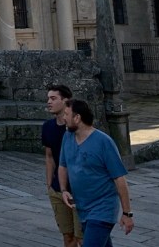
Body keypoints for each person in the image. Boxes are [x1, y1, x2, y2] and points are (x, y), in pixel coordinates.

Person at [59, 100, 134, 247]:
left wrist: (127, 213)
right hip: (82, 209)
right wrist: (63, 190)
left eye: (66, 114)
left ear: (77, 118)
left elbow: (120, 179)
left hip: (103, 209)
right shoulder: (67, 137)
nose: (63, 118)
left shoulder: (104, 142)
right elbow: (63, 166)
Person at [42, 84, 82, 247]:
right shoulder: (48, 127)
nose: (49, 102)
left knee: (83, 238)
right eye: (48, 98)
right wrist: (49, 184)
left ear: (65, 101)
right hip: (58, 189)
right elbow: (49, 156)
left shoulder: (77, 128)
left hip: (79, 190)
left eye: (53, 98)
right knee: (68, 237)